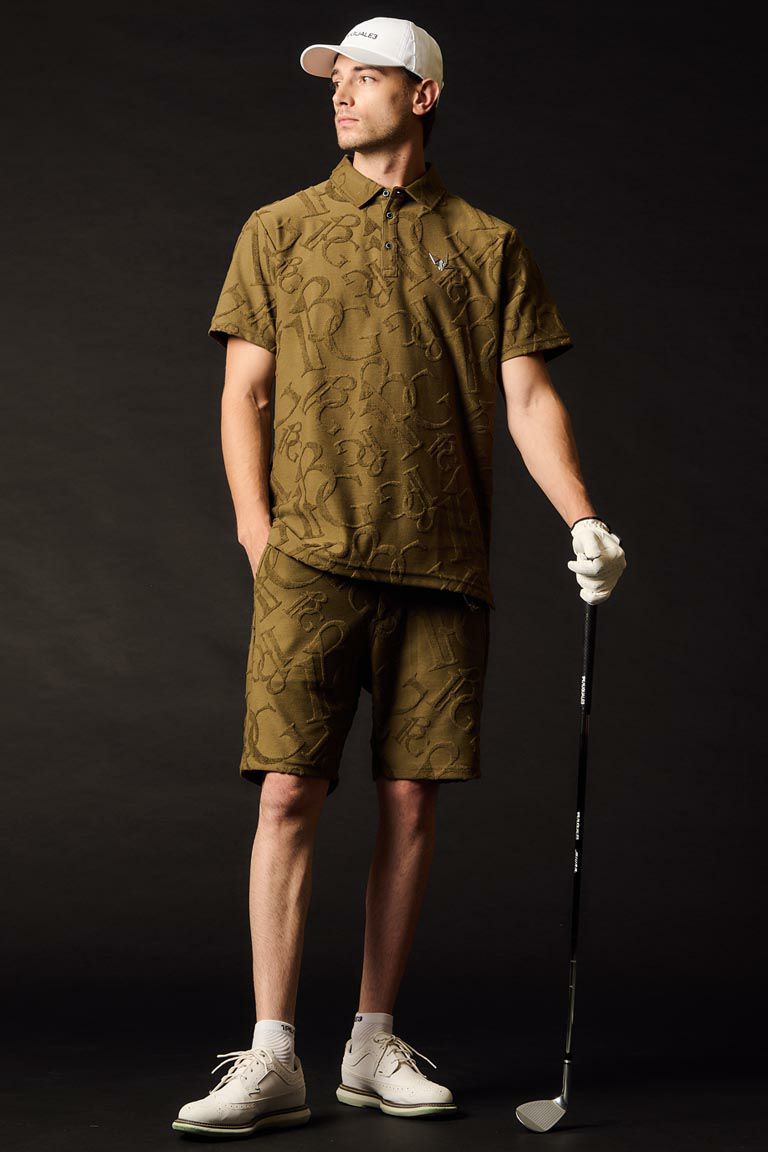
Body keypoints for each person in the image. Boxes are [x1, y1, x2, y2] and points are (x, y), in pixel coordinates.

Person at [172, 15, 627, 1140]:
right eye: (336, 78)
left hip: (442, 563)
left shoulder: (487, 243)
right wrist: (256, 531)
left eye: (366, 76)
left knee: (411, 799)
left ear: (421, 97)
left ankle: (372, 1044)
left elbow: (528, 396)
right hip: (311, 559)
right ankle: (272, 1055)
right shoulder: (279, 228)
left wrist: (583, 516)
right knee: (288, 790)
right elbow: (244, 394)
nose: (341, 92)